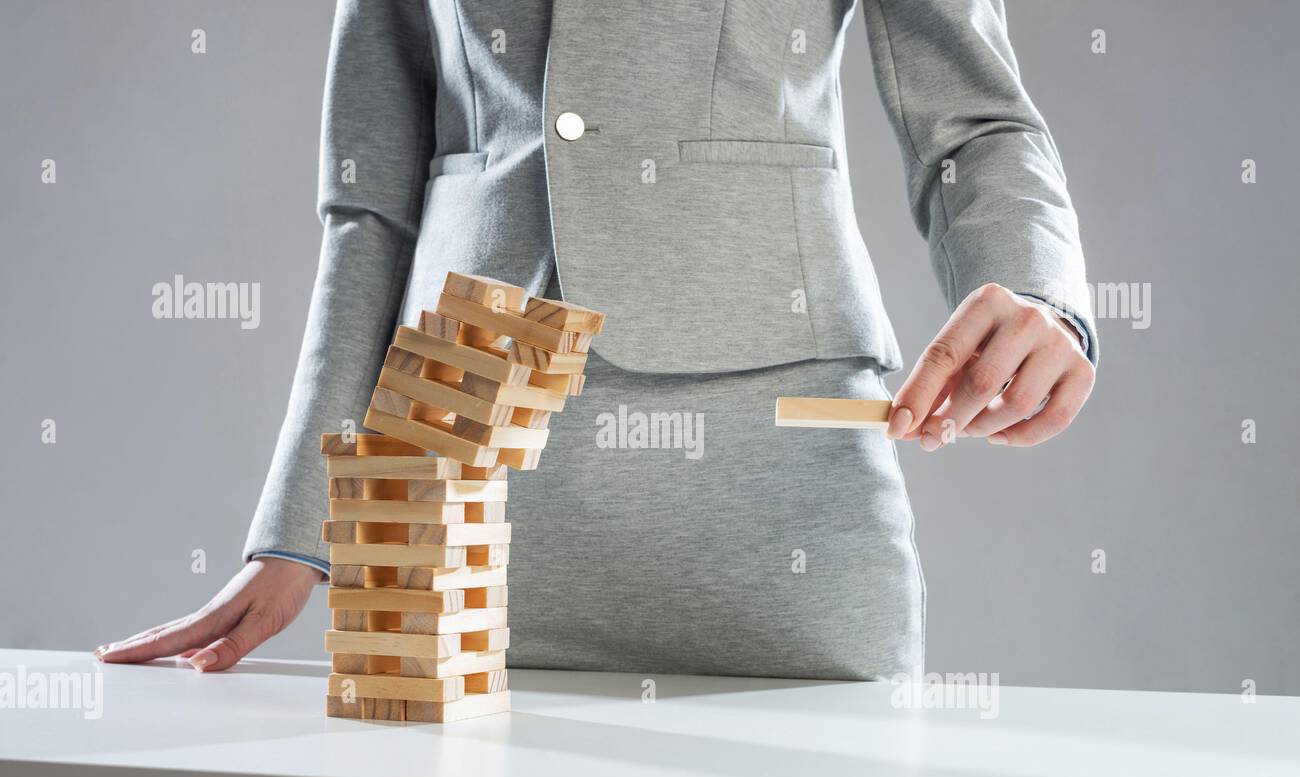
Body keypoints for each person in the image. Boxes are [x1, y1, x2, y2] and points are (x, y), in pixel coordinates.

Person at [97, 0, 1096, 679]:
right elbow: (372, 202)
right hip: (443, 450)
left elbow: (975, 126)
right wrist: (301, 520)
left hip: (769, 476)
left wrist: (1045, 298)